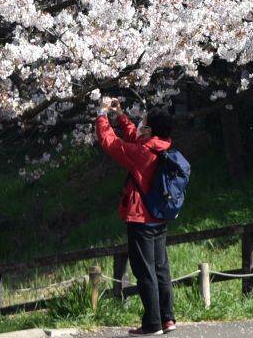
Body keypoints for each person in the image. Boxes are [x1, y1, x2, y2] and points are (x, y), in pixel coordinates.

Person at [96, 97, 179, 334]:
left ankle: (152, 324)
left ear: (150, 129)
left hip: (141, 218)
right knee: (161, 268)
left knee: (145, 272)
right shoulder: (162, 145)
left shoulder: (142, 153)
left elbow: (111, 143)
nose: (139, 123)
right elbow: (136, 139)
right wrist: (120, 116)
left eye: (143, 121)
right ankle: (167, 318)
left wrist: (102, 116)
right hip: (158, 217)